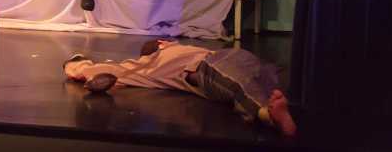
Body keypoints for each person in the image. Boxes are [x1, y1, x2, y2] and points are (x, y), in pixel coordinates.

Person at [63, 39, 297, 137]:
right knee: (239, 82)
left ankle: (273, 108)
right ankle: (268, 115)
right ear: (161, 45)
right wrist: (80, 64)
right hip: (209, 65)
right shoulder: (142, 65)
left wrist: (80, 66)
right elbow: (76, 68)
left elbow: (77, 68)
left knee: (257, 77)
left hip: (226, 57)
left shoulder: (169, 52)